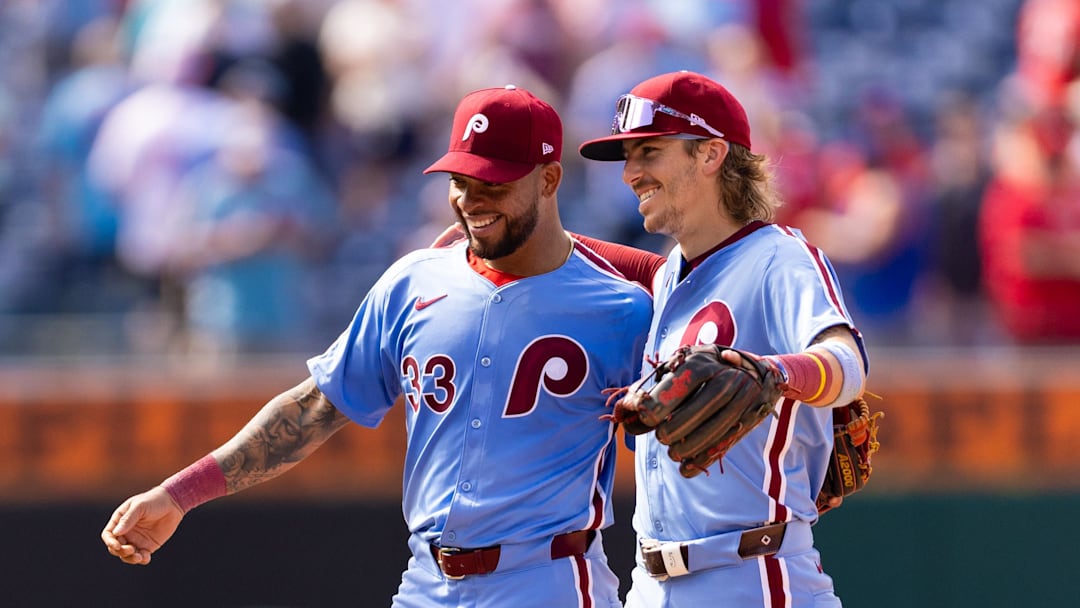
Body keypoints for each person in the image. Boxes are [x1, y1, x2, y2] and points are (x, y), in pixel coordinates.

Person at [101, 84, 654, 608]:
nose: (472, 200)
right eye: (461, 180)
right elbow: (314, 409)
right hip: (425, 580)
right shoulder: (414, 279)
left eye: (495, 184)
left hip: (548, 580)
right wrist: (180, 494)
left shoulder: (622, 306)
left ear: (550, 179)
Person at [575, 70, 870, 607]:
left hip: (753, 576)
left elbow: (847, 366)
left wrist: (777, 373)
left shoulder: (778, 256)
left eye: (649, 152)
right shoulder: (670, 274)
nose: (630, 173)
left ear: (710, 155)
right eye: (628, 157)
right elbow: (611, 260)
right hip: (651, 578)